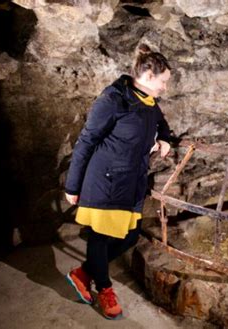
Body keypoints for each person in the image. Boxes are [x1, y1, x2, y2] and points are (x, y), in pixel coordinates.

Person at [64, 43, 172, 320]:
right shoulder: (113, 99)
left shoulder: (150, 103)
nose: (165, 88)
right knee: (100, 237)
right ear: (148, 75)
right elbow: (86, 141)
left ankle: (84, 272)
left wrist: (164, 139)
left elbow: (162, 124)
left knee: (130, 235)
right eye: (163, 82)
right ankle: (105, 288)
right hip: (106, 179)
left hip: (132, 180)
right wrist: (72, 186)